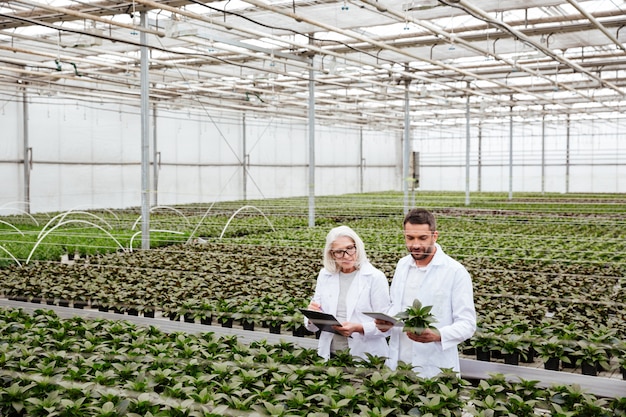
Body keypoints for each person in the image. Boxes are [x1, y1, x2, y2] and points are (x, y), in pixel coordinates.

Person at [375, 208, 476, 378]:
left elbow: (467, 324)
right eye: (410, 238)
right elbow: (397, 306)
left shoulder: (455, 272)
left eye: (422, 238)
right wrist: (387, 321)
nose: (415, 245)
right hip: (398, 364)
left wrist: (438, 335)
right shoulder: (402, 265)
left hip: (434, 367)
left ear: (434, 236)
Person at [305, 225, 390, 361]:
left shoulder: (375, 277)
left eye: (350, 248)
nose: (346, 256)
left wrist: (359, 328)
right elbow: (314, 322)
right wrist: (312, 316)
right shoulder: (325, 275)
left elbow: (386, 325)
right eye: (339, 252)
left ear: (358, 247)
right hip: (331, 353)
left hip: (365, 356)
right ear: (331, 254)